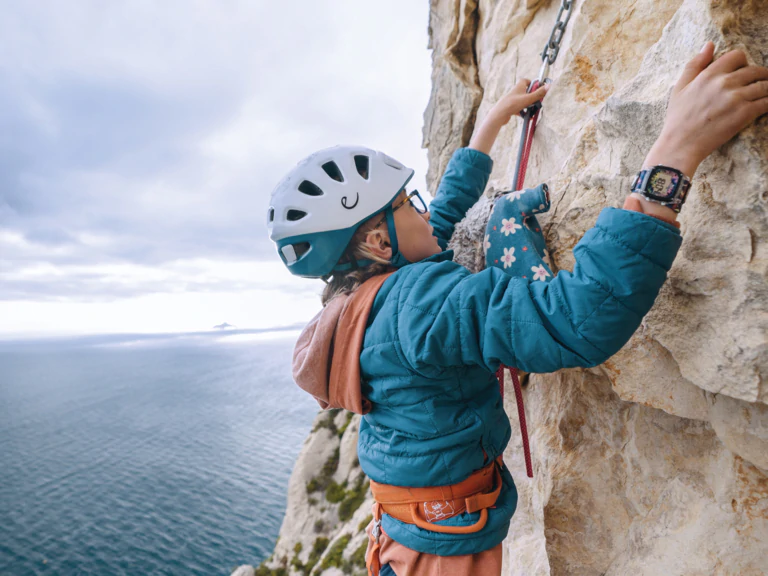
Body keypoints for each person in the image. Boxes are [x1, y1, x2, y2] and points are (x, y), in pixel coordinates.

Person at [268, 42, 768, 576]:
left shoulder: (359, 298)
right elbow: (579, 316)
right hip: (440, 554)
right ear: (377, 242)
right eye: (404, 204)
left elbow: (440, 217)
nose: (421, 208)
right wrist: (673, 153)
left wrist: (491, 123)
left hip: (407, 531)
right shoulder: (422, 304)